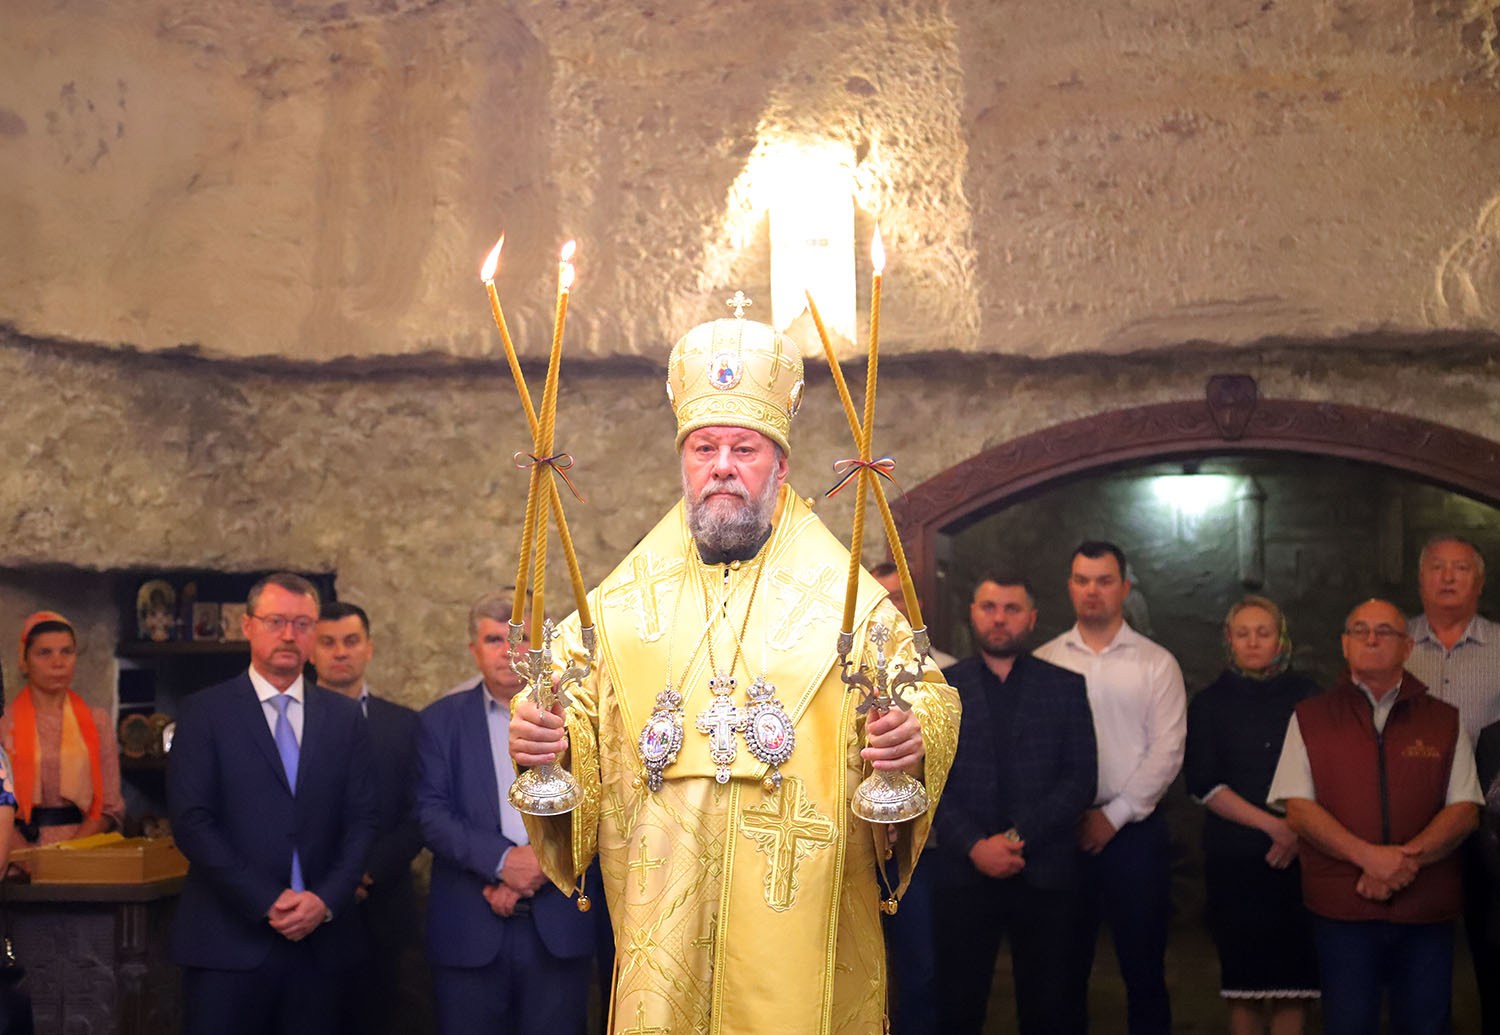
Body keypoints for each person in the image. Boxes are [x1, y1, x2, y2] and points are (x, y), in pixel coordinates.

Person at [509, 305, 961, 1034]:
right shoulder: (621, 602)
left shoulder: (845, 595)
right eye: (704, 448)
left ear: (781, 466)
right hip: (664, 902)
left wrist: (913, 739)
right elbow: (567, 711)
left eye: (744, 448)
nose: (722, 465)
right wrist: (543, 739)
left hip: (800, 896)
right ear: (684, 463)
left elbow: (927, 696)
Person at [167, 573, 377, 1035]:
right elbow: (191, 820)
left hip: (322, 943)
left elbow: (363, 820)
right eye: (275, 621)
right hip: (228, 941)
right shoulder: (204, 713)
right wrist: (266, 899)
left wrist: (325, 900)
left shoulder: (344, 718)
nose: (288, 635)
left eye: (302, 624)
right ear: (247, 626)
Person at [1268, 599, 1482, 1035]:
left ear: (1407, 647)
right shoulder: (1310, 717)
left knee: (1426, 1025)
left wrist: (1402, 862)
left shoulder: (1444, 720)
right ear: (1344, 645)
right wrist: (1368, 857)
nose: (1371, 639)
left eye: (1384, 631)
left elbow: (1464, 810)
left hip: (1426, 910)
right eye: (1360, 630)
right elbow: (1299, 809)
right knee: (1348, 1024)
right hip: (1344, 909)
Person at [416, 590, 601, 1035]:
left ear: (544, 647)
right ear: (474, 649)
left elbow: (601, 800)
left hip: (559, 921)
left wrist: (541, 862)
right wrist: (501, 863)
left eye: (521, 639)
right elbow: (429, 813)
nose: (509, 652)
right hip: (470, 921)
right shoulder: (439, 721)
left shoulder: (580, 719)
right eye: (494, 640)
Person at [1034, 540, 1185, 1035]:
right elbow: (1034, 752)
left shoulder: (1156, 663)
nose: (1092, 591)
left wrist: (1113, 816)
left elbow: (1167, 751)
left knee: (1143, 968)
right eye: (1082, 580)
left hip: (1134, 835)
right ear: (1070, 587)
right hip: (1062, 833)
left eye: (1103, 580)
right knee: (1063, 970)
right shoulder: (1045, 660)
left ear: (1124, 588)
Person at [935, 575, 1097, 1034]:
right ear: (973, 613)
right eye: (989, 607)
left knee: (1052, 1008)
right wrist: (974, 845)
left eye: (1011, 608)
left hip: (1044, 869)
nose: (999, 618)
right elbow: (929, 780)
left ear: (1032, 618)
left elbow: (1080, 779)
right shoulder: (942, 688)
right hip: (965, 871)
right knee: (958, 1007)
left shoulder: (1065, 686)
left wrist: (1013, 838)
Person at [1184, 596, 1320, 1034]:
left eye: (1263, 632)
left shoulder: (1310, 696)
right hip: (1236, 859)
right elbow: (1202, 782)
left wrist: (1297, 830)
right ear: (1229, 640)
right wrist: (1275, 827)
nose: (1253, 642)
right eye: (1243, 634)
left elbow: (1327, 771)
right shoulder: (1209, 703)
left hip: (1299, 858)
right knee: (1243, 983)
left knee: (1293, 983)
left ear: (1281, 638)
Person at [311, 601, 422, 1035]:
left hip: (381, 907)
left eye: (351, 641)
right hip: (307, 904)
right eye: (328, 642)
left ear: (369, 648)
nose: (340, 651)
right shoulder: (289, 722)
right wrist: (332, 879)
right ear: (310, 651)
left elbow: (418, 813)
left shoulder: (405, 725)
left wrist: (364, 871)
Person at [1405, 534, 1500, 1034]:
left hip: (1489, 824)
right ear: (1421, 580)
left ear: (1479, 582)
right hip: (1412, 818)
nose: (1447, 577)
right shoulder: (1392, 641)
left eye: (1460, 568)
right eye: (1437, 567)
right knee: (1415, 946)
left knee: (1491, 943)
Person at [1, 612, 123, 853]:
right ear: (24, 660)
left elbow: (109, 806)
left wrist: (67, 854)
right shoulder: (4, 723)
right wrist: (26, 857)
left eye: (66, 651)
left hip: (81, 850)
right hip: (14, 849)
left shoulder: (97, 722)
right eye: (44, 653)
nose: (58, 662)